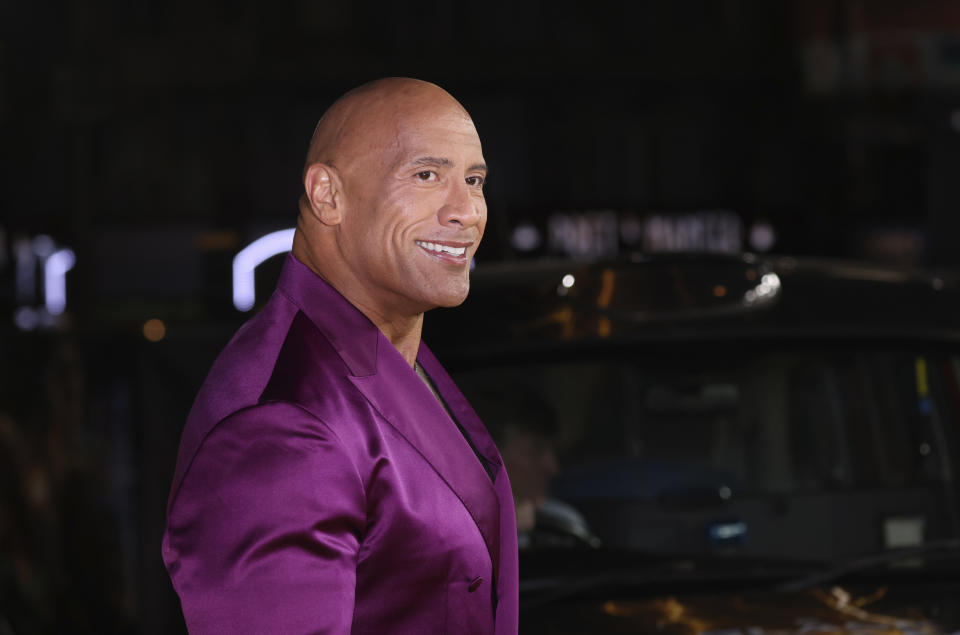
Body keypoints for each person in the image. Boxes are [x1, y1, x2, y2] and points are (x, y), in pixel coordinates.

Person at [162, 78, 518, 634]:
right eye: (427, 175)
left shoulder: (383, 352)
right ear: (328, 194)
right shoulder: (280, 422)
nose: (467, 210)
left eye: (474, 180)